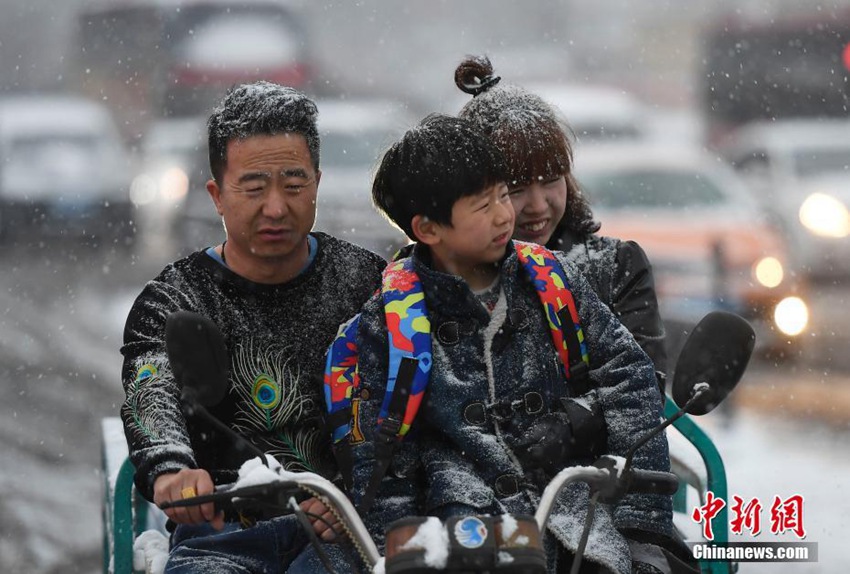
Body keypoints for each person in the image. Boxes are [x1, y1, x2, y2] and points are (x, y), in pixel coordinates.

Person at [340, 114, 672, 573]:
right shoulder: (394, 321)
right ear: (428, 229)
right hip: (462, 535)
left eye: (502, 194)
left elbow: (631, 378)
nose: (505, 214)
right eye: (482, 205)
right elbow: (385, 455)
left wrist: (641, 527)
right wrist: (394, 549)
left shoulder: (551, 279)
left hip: (577, 519)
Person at [120, 81, 386, 573]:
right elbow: (148, 387)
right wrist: (172, 468)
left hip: (349, 531)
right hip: (219, 538)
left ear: (317, 183)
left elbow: (413, 402)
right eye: (254, 186)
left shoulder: (371, 285)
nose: (276, 207)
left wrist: (364, 496)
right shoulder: (175, 298)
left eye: (293, 183)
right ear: (217, 195)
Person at [455, 55, 668, 395]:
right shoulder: (444, 278)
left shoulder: (615, 267)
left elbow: (644, 389)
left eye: (552, 180)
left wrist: (572, 427)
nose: (539, 205)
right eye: (517, 189)